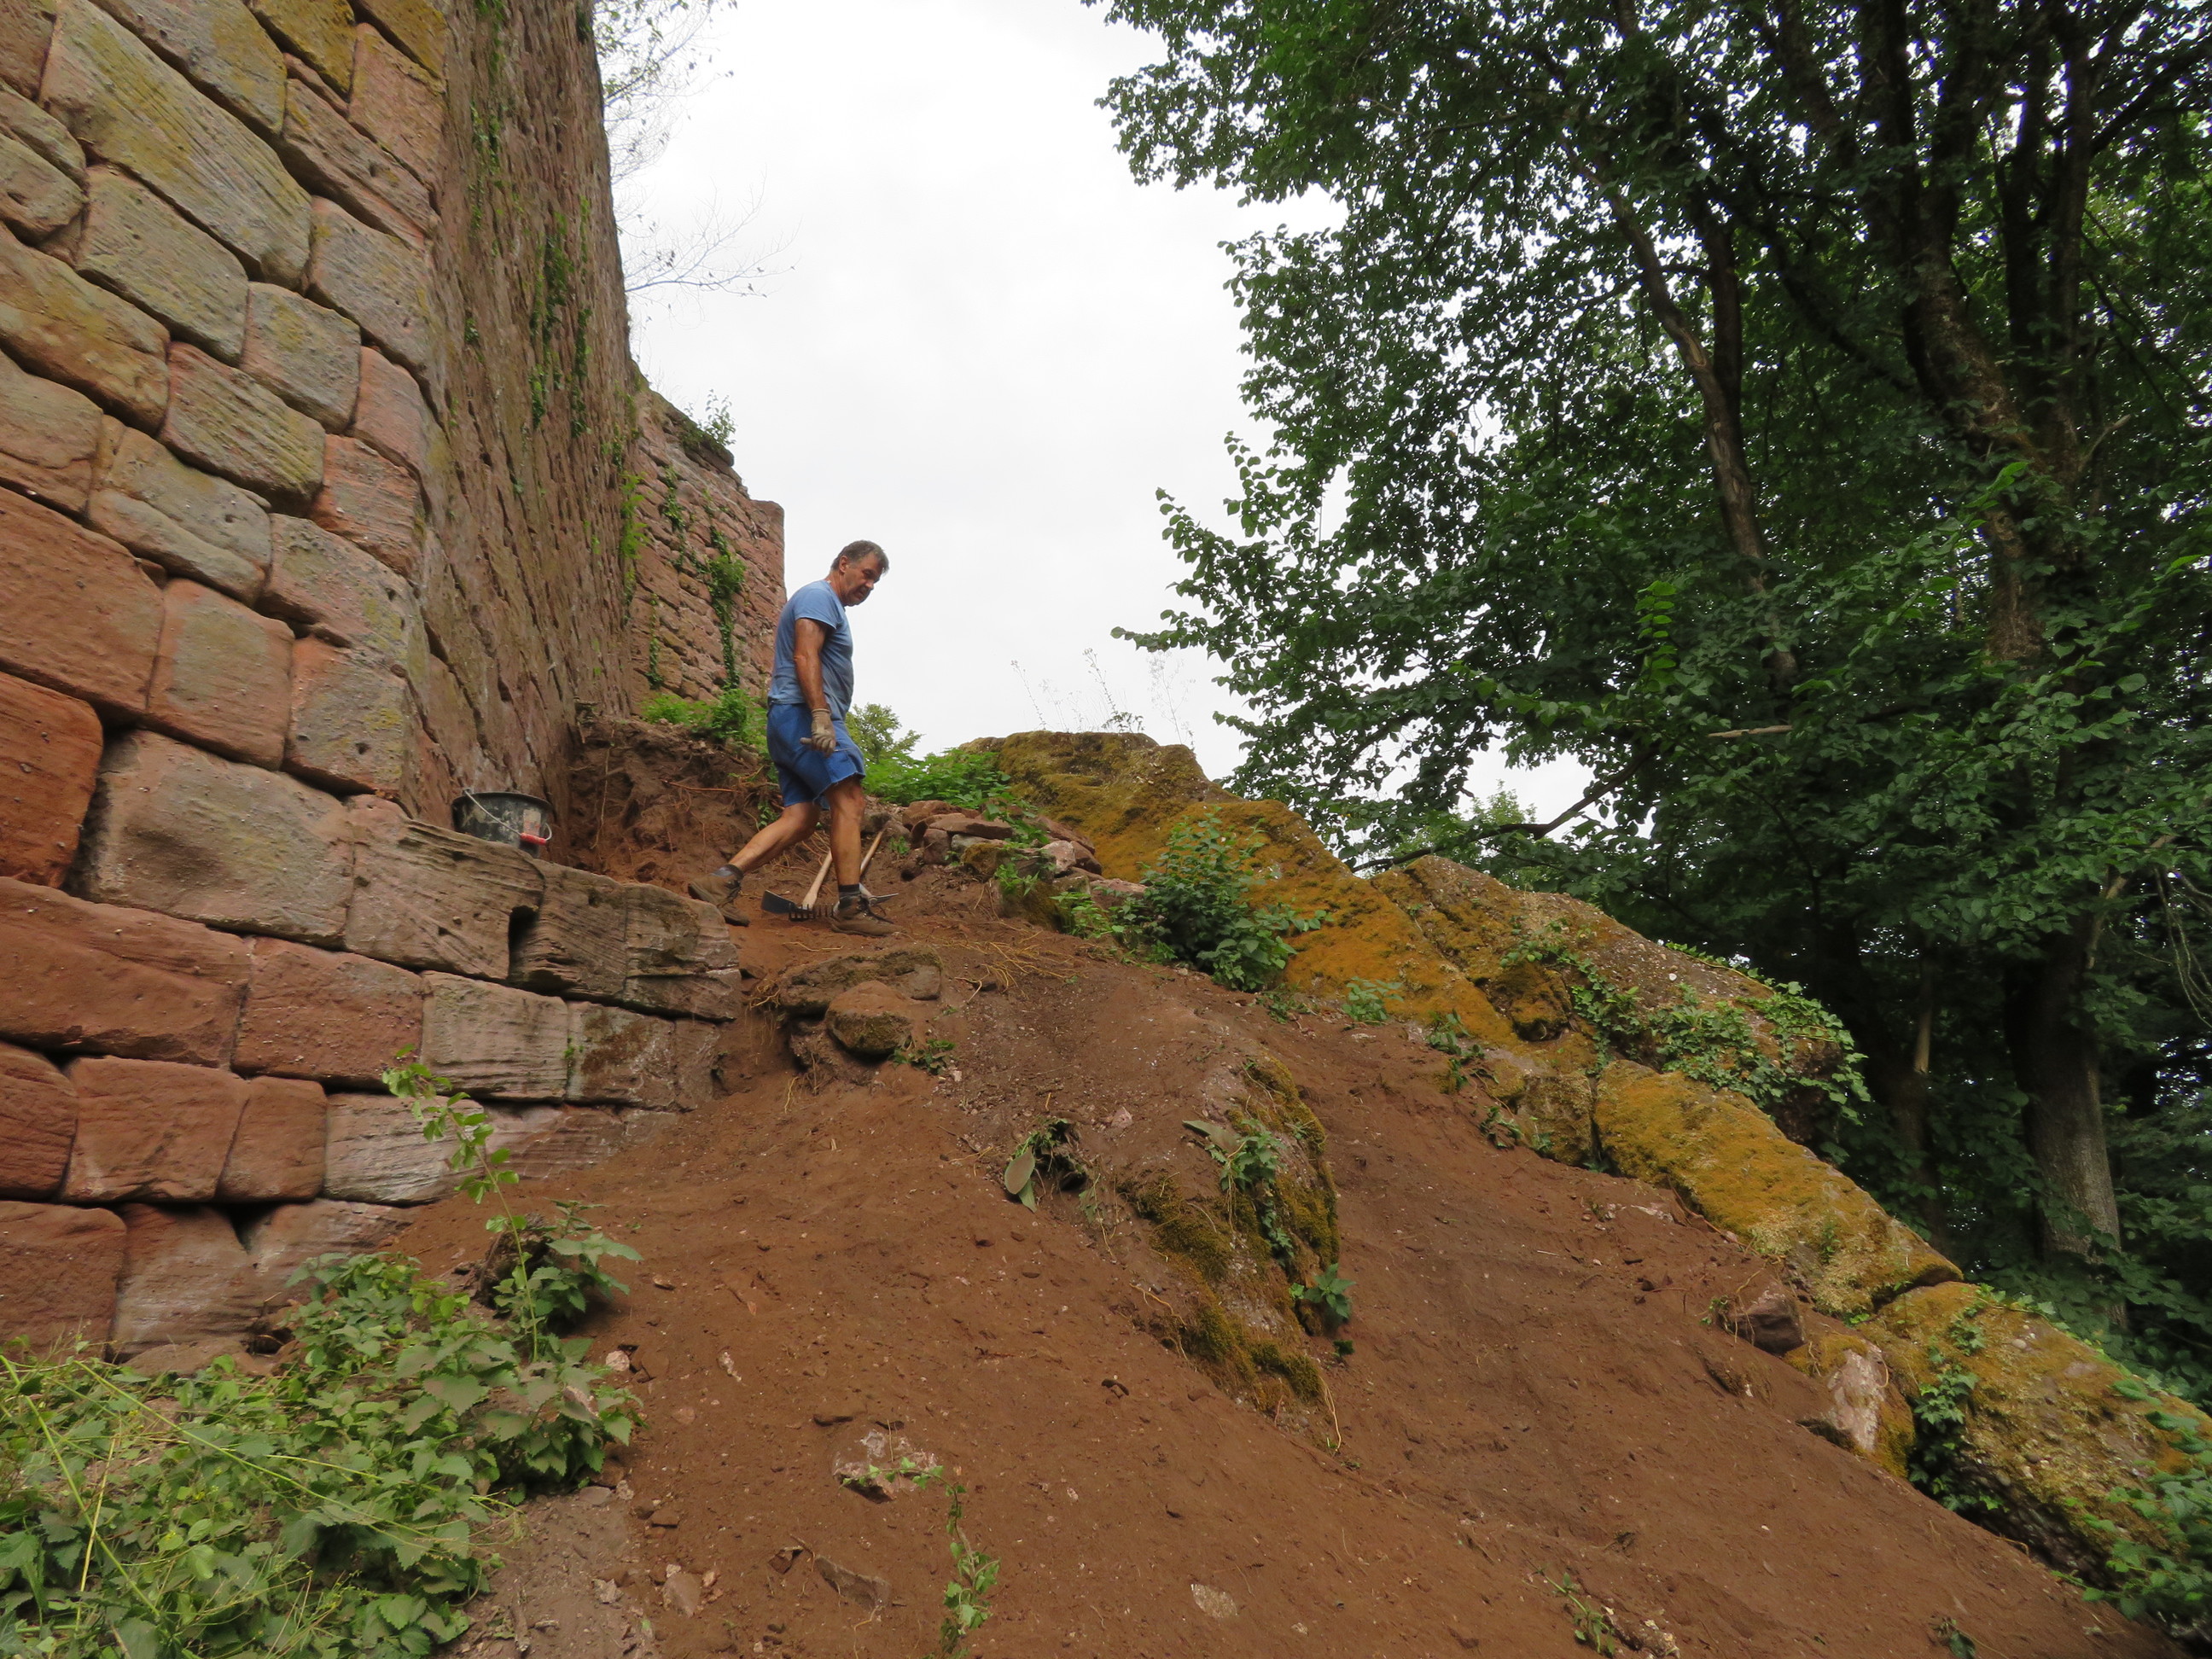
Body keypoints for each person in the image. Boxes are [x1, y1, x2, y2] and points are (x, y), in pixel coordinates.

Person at [689, 540, 895, 936]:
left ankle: (720, 881)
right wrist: (820, 715)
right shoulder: (819, 596)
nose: (869, 586)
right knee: (850, 799)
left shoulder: (827, 603)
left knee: (800, 818)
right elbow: (805, 655)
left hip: (788, 720)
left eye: (875, 581)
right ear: (844, 563)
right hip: (804, 714)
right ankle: (850, 907)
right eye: (867, 574)